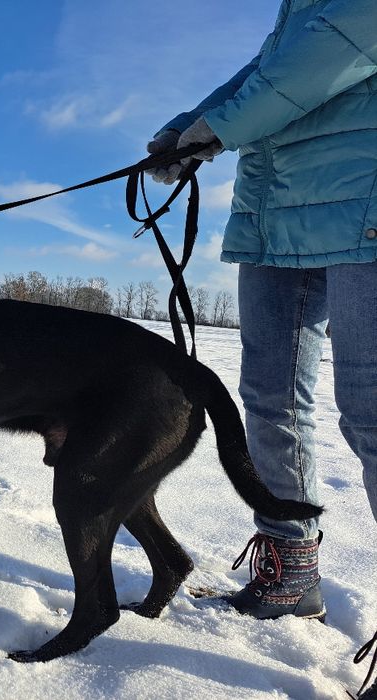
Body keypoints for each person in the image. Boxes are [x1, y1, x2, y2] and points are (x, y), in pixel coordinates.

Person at [145, 1, 376, 696]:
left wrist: (210, 132)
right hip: (279, 208)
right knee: (268, 398)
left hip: (365, 198)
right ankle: (290, 573)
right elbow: (266, 71)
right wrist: (186, 129)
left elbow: (321, 60)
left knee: (370, 411)